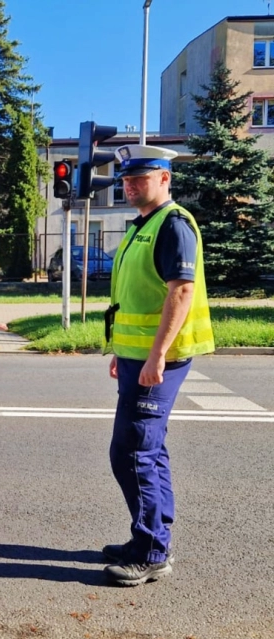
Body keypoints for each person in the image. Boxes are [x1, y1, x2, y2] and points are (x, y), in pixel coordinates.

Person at [102, 144, 215, 587]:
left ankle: (152, 552)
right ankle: (150, 538)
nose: (129, 185)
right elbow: (136, 296)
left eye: (140, 178)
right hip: (137, 357)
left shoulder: (172, 225)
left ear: (165, 179)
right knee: (147, 450)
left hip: (157, 360)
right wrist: (122, 352)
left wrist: (156, 356)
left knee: (132, 453)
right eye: (126, 179)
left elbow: (180, 293)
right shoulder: (142, 226)